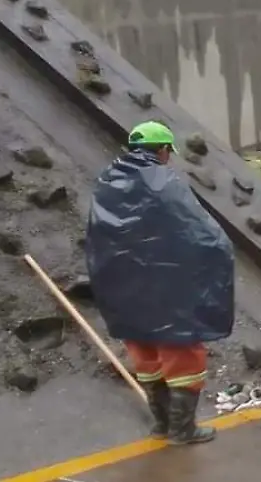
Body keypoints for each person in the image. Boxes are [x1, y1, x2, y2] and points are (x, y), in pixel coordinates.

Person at [85, 121, 234, 445]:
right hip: (165, 290)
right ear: (163, 150)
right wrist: (220, 252)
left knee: (145, 353)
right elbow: (197, 230)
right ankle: (183, 430)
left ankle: (162, 424)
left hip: (123, 289)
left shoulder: (108, 181)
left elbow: (99, 236)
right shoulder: (164, 181)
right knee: (183, 355)